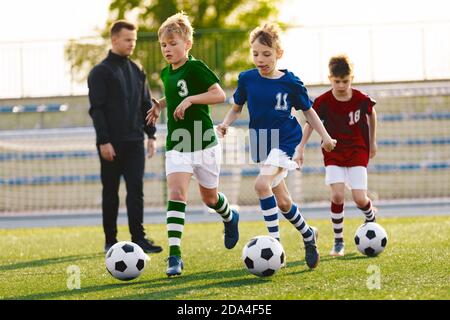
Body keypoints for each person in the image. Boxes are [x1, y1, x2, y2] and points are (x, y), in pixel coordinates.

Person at [217, 23, 336, 269]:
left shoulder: (291, 81)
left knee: (261, 185)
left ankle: (274, 245)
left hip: (285, 140)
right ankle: (308, 234)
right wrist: (226, 124)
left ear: (278, 53)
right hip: (262, 142)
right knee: (282, 202)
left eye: (266, 54)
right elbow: (237, 107)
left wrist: (325, 136)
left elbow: (309, 112)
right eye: (256, 54)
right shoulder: (247, 79)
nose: (260, 59)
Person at [146, 12, 239, 277]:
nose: (167, 49)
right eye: (163, 45)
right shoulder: (166, 72)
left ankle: (230, 217)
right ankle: (174, 257)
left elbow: (219, 95)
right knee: (177, 195)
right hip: (177, 144)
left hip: (204, 142)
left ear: (187, 45)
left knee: (210, 198)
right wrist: (161, 104)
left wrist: (191, 101)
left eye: (173, 43)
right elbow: (177, 93)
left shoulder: (196, 67)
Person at [88, 20, 162, 254]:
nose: (132, 44)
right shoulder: (100, 72)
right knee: (110, 192)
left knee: (135, 190)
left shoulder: (137, 70)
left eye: (134, 40)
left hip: (134, 142)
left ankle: (138, 238)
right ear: (114, 40)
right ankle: (110, 240)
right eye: (128, 40)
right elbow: (96, 109)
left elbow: (145, 105)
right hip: (111, 144)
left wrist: (151, 135)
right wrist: (103, 141)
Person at [296, 54, 378, 257]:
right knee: (338, 195)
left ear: (352, 78)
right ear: (330, 78)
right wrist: (301, 147)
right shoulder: (323, 101)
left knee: (359, 199)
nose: (341, 85)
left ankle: (370, 217)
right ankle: (338, 241)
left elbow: (371, 114)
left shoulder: (360, 98)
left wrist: (372, 140)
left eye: (345, 81)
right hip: (333, 152)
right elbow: (310, 123)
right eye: (337, 81)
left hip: (358, 149)